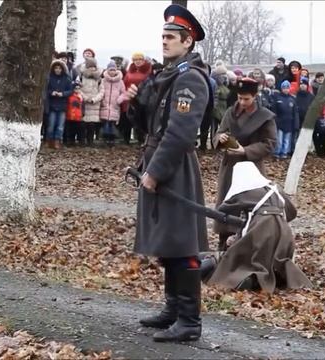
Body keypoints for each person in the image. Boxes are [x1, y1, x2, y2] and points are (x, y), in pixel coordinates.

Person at [126, 4, 211, 343]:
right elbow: (149, 125)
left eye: (171, 37)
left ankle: (189, 321)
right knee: (168, 243)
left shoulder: (190, 78)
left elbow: (180, 133)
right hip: (157, 160)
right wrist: (134, 104)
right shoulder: (168, 75)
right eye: (162, 36)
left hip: (174, 168)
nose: (164, 42)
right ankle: (173, 310)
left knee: (182, 243)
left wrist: (156, 172)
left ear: (188, 42)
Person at [201, 162, 313, 293]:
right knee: (275, 260)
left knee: (237, 258)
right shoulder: (276, 189)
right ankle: (278, 280)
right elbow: (292, 212)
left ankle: (244, 279)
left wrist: (241, 230)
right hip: (284, 233)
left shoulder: (244, 191)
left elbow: (222, 210)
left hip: (261, 230)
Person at [212, 77, 276, 249]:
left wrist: (246, 151)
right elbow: (218, 134)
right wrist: (221, 139)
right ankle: (223, 246)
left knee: (249, 208)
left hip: (252, 170)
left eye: (246, 98)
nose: (242, 102)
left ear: (255, 96)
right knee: (227, 206)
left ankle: (248, 245)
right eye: (239, 98)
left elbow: (270, 143)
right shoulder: (230, 113)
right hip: (230, 168)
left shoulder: (265, 117)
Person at [122, 52, 152, 145]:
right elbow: (125, 83)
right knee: (127, 119)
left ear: (143, 60)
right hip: (129, 97)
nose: (137, 61)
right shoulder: (130, 71)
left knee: (141, 119)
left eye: (140, 59)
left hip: (143, 98)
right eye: (135, 60)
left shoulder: (148, 70)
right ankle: (126, 140)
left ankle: (142, 140)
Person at [46, 60, 73, 149]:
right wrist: (51, 93)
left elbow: (70, 91)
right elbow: (46, 89)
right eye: (56, 68)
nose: (58, 70)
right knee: (51, 124)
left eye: (59, 68)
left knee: (60, 125)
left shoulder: (67, 78)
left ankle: (57, 140)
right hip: (52, 104)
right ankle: (49, 140)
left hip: (62, 105)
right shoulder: (49, 78)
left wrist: (63, 94)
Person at [99, 61, 127, 148]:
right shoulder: (103, 81)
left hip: (115, 106)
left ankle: (112, 140)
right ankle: (105, 139)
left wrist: (119, 100)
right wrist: (102, 101)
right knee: (106, 124)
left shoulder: (120, 82)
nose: (112, 72)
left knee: (112, 124)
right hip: (105, 105)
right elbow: (100, 91)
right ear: (107, 70)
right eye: (110, 70)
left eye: (113, 70)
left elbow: (123, 93)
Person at [77, 57, 104, 146]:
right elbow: (77, 89)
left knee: (92, 125)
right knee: (82, 124)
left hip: (94, 104)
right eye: (90, 67)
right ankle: (81, 141)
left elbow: (102, 91)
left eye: (93, 67)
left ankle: (90, 141)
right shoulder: (81, 77)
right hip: (83, 104)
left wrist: (94, 99)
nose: (92, 68)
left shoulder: (99, 79)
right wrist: (85, 98)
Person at [272, 81, 298, 159]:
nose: (286, 90)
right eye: (284, 88)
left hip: (289, 122)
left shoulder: (292, 99)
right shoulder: (277, 98)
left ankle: (284, 152)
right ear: (281, 89)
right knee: (279, 139)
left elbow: (295, 112)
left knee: (287, 140)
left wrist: (296, 123)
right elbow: (274, 111)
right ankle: (277, 152)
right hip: (280, 122)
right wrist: (275, 121)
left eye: (287, 88)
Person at [64, 82, 84, 146]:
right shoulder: (70, 96)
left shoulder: (81, 97)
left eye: (78, 88)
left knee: (78, 130)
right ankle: (70, 141)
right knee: (70, 130)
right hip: (70, 116)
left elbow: (83, 106)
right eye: (75, 88)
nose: (77, 90)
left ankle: (79, 141)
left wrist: (83, 113)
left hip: (78, 116)